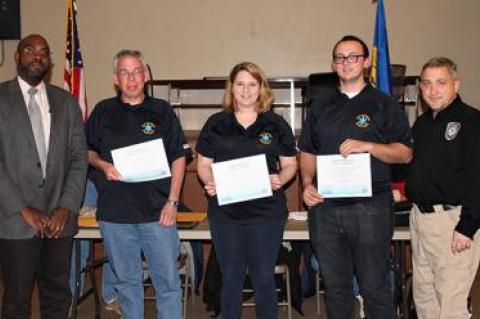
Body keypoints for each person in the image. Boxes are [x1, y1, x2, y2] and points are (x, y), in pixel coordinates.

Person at [298, 35, 412, 319]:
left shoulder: (385, 104)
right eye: (339, 57)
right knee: (336, 289)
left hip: (371, 207)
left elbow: (405, 153)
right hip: (326, 209)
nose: (345, 62)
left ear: (366, 61)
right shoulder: (319, 106)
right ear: (333, 64)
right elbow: (308, 152)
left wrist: (368, 146)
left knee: (374, 287)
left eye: (352, 56)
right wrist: (307, 184)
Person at [85, 49, 190, 319]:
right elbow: (86, 151)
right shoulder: (102, 111)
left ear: (145, 75)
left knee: (167, 284)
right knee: (127, 285)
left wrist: (173, 202)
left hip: (158, 215)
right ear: (115, 79)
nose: (131, 78)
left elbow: (179, 156)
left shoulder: (162, 111)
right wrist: (103, 165)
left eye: (136, 72)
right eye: (124, 72)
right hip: (115, 216)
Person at [196, 61, 297, 319]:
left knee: (263, 277)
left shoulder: (276, 123)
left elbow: (290, 164)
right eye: (240, 84)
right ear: (232, 88)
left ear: (261, 88)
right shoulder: (216, 123)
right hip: (226, 214)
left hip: (267, 214)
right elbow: (203, 164)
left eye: (252, 84)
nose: (246, 90)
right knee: (231, 277)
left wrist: (281, 179)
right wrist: (209, 181)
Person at [0, 34, 88, 319]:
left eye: (43, 52)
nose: (37, 56)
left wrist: (66, 207)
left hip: (58, 221)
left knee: (56, 298)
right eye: (30, 50)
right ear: (17, 56)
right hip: (15, 220)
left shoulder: (66, 102)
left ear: (50, 60)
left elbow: (78, 159)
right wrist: (22, 208)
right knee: (16, 300)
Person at [406, 57, 480, 319]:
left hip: (452, 223)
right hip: (420, 219)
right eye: (426, 83)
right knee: (425, 298)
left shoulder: (472, 121)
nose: (432, 90)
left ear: (456, 85)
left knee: (451, 305)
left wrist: (467, 227)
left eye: (441, 82)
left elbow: (477, 178)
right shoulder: (422, 124)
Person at [69, 179, 120, 315]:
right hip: (89, 179)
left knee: (116, 241)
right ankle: (72, 295)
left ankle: (112, 294)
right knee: (80, 241)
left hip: (119, 182)